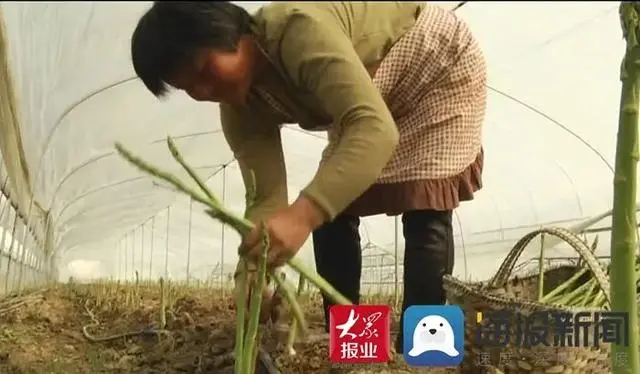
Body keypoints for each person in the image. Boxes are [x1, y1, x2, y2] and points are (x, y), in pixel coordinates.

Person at [131, 1, 486, 354]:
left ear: (230, 34)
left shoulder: (297, 31)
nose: (204, 92)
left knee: (424, 205)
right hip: (372, 94)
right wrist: (253, 276)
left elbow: (375, 131)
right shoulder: (240, 111)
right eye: (188, 87)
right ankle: (356, 340)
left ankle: (422, 347)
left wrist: (302, 215)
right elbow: (264, 197)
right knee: (332, 213)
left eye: (205, 70)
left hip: (435, 65)